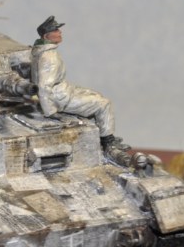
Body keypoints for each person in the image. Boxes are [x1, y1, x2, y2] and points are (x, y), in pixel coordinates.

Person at [31, 16, 128, 153]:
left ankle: (102, 132)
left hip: (62, 90)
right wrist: (50, 111)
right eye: (56, 30)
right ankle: (108, 142)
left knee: (95, 94)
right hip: (60, 97)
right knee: (104, 104)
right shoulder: (49, 57)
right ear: (47, 36)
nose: (60, 32)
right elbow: (44, 86)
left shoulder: (40, 51)